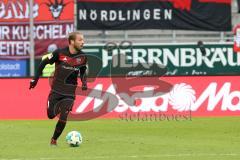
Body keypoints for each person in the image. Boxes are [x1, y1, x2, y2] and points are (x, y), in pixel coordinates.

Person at [29, 31, 88, 146]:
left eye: (83, 40)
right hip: (56, 90)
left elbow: (83, 71)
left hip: (69, 93)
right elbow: (43, 63)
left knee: (63, 117)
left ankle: (54, 140)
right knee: (51, 115)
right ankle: (58, 109)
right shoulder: (59, 53)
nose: (83, 42)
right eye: (80, 40)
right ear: (72, 41)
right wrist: (35, 79)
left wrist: (84, 82)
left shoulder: (82, 57)